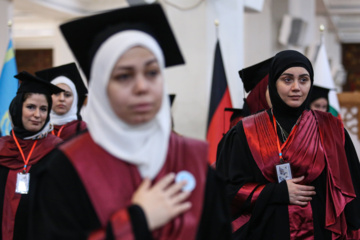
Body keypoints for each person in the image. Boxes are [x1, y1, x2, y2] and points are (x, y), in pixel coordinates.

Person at [29, 4, 231, 240]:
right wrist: (137, 221)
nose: (142, 87)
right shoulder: (64, 169)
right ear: (101, 88)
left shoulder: (191, 160)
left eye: (152, 72)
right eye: (124, 76)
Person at [216, 50, 360, 239]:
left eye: (303, 80)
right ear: (273, 83)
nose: (296, 87)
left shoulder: (332, 129)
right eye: (287, 79)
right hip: (265, 232)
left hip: (320, 232)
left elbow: (352, 195)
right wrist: (275, 192)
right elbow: (226, 190)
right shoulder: (245, 132)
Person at [0, 71, 63, 240]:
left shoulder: (56, 151)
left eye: (43, 109)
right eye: (30, 107)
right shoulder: (2, 148)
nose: (37, 115)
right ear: (17, 107)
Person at [35, 63, 88, 140]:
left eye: (67, 95)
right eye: (56, 93)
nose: (62, 99)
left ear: (75, 99)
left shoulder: (83, 129)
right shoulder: (37, 129)